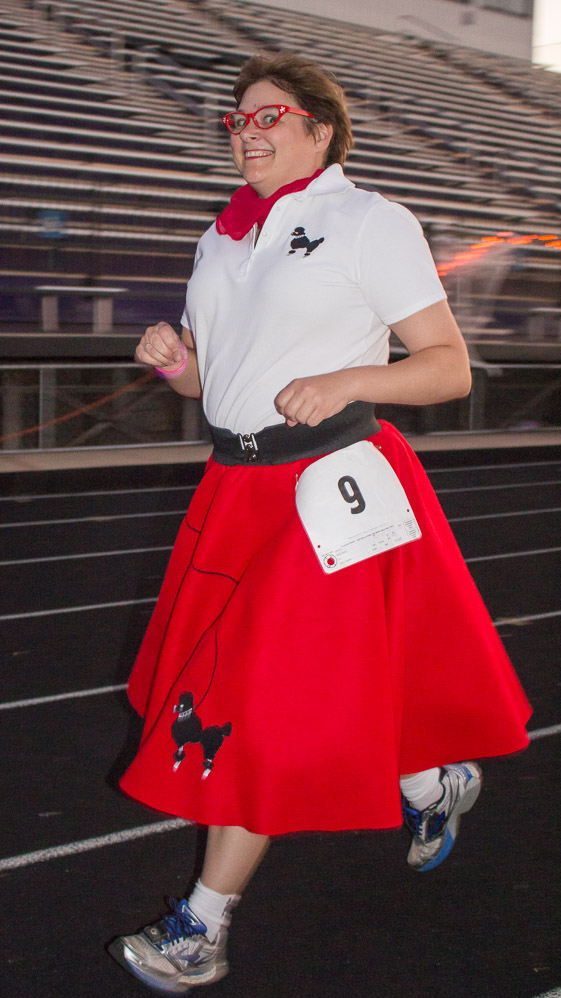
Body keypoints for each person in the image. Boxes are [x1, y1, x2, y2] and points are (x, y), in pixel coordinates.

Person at [108, 53, 531, 994]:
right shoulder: (220, 238)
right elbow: (217, 386)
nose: (247, 132)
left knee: (256, 700)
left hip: (328, 485)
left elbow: (446, 367)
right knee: (309, 679)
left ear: (321, 131)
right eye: (237, 120)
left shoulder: (370, 220)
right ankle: (429, 782)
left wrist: (349, 380)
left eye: (269, 116)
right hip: (235, 486)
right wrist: (175, 363)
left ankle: (201, 929)